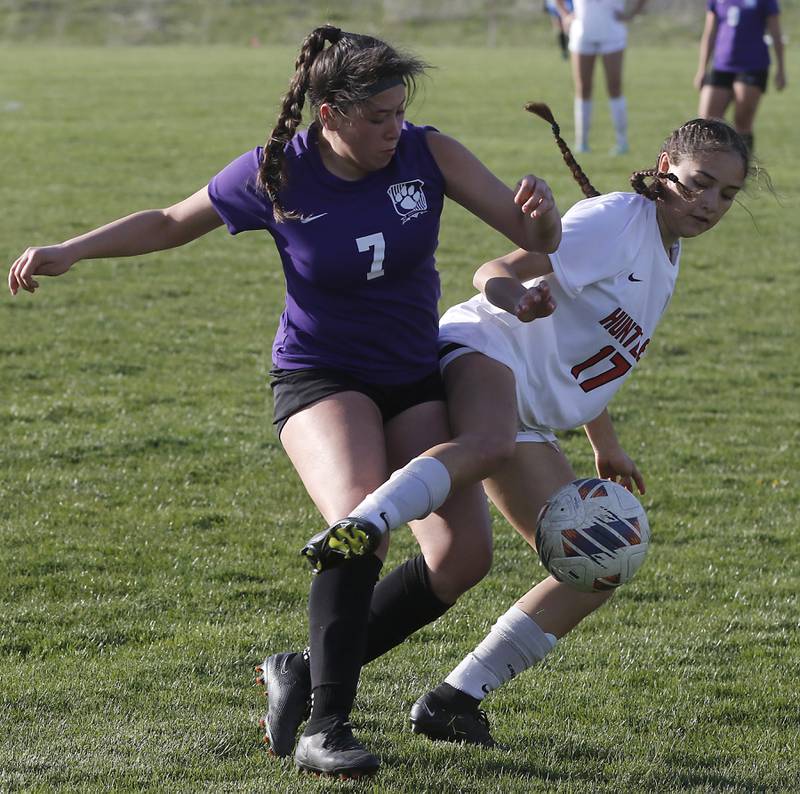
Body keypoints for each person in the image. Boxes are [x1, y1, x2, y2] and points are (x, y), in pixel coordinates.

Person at [7, 26, 561, 777]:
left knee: (463, 556)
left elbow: (530, 233)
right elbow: (172, 221)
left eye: (400, 112)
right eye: (377, 118)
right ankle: (325, 727)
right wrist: (74, 248)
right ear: (328, 114)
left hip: (410, 374)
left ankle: (300, 671)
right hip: (321, 377)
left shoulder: (429, 154)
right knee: (360, 519)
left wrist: (545, 213)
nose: (394, 129)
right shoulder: (277, 174)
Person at [308, 104, 750, 746]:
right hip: (482, 346)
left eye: (727, 193)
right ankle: (363, 523)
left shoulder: (665, 247)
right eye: (700, 181)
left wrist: (608, 443)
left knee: (599, 560)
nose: (711, 202)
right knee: (486, 446)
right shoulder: (615, 221)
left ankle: (450, 696)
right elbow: (494, 270)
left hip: (530, 415)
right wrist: (513, 297)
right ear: (664, 170)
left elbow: (585, 358)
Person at [555, 0, 647, 154]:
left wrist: (631, 15)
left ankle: (622, 142)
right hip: (582, 34)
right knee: (583, 87)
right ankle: (582, 143)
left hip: (612, 34)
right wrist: (566, 15)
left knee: (614, 87)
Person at [694, 0, 786, 153]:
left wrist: (781, 69)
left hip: (752, 66)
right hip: (721, 65)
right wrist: (702, 68)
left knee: (742, 122)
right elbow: (710, 33)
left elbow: (776, 34)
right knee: (706, 121)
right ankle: (711, 167)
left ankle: (741, 171)